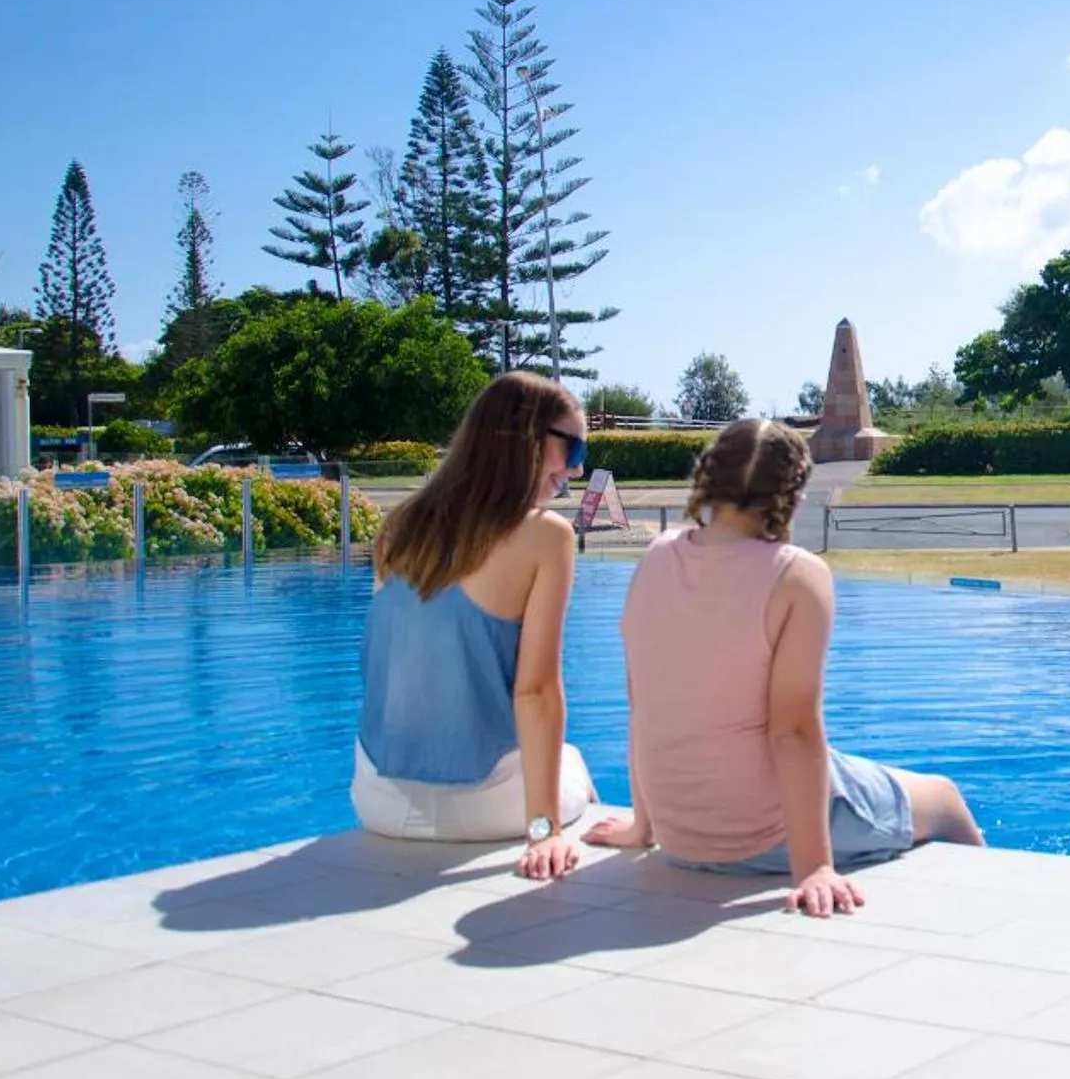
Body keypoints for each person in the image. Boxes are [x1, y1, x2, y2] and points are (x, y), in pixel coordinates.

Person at [584, 417, 982, 916]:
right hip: (758, 839)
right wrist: (814, 866)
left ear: (708, 478)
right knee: (943, 797)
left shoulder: (657, 557)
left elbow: (643, 699)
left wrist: (643, 827)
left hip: (678, 833)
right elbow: (792, 730)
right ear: (793, 494)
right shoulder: (796, 575)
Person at [351, 371, 594, 879]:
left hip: (377, 800)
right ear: (528, 438)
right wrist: (542, 831)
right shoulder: (546, 536)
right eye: (571, 451)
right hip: (484, 808)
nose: (576, 470)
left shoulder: (399, 527)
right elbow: (537, 693)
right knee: (573, 760)